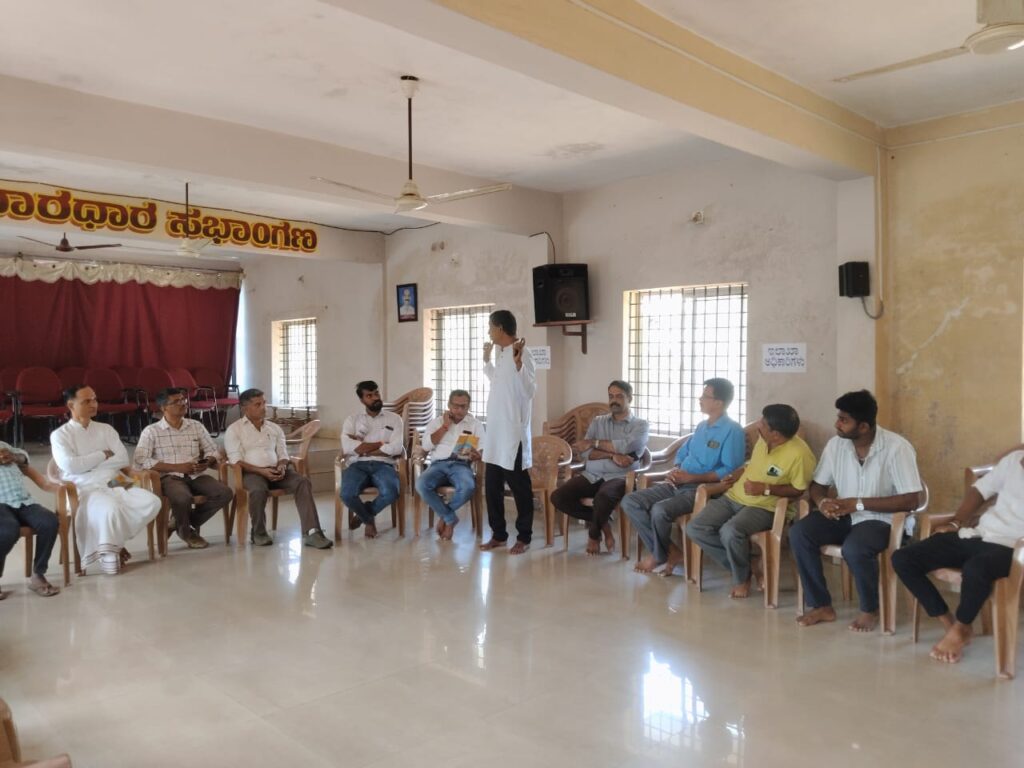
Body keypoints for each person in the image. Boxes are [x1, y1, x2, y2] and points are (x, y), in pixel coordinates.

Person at [790, 390, 922, 632]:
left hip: (883, 520)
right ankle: (821, 605)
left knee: (856, 548)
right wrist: (822, 502)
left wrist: (859, 504)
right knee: (800, 533)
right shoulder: (836, 445)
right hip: (845, 513)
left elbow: (911, 500)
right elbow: (818, 485)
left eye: (844, 420)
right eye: (838, 417)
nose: (837, 424)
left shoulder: (897, 448)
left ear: (863, 427)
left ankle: (870, 609)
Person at [892, 447, 1024, 665]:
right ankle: (949, 622)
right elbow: (980, 490)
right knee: (903, 558)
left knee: (976, 568)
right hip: (978, 535)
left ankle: (962, 627)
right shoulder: (1014, 460)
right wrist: (956, 522)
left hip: (1014, 548)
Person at [686, 403, 816, 598]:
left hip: (766, 506)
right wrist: (737, 474)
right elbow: (752, 466)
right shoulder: (764, 440)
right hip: (734, 497)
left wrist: (765, 489)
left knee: (730, 531)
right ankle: (747, 565)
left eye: (763, 423)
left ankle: (741, 578)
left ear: (776, 434)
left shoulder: (800, 454)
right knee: (695, 528)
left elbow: (799, 490)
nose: (757, 425)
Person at [621, 378, 744, 574]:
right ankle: (670, 552)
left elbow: (730, 471)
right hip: (677, 483)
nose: (700, 399)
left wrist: (691, 478)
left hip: (701, 489)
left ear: (719, 402)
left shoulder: (733, 430)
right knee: (630, 501)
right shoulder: (702, 426)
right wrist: (676, 469)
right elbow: (683, 453)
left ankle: (659, 555)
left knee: (659, 510)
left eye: (705, 396)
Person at [50, 385, 162, 575]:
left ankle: (114, 542)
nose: (93, 404)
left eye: (94, 399)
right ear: (71, 405)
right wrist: (102, 454)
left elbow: (122, 459)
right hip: (82, 485)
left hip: (114, 479)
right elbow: (71, 466)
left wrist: (88, 464)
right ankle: (111, 552)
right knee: (110, 509)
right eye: (86, 401)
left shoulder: (106, 429)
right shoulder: (60, 435)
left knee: (151, 501)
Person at [224, 388, 332, 549]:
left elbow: (283, 453)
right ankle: (259, 533)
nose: (263, 407)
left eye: (264, 403)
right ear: (245, 408)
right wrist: (261, 471)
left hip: (277, 471)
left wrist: (282, 465)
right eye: (258, 404)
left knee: (302, 482)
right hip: (252, 473)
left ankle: (312, 532)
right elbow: (235, 460)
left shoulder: (274, 428)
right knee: (258, 489)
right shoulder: (234, 430)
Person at [551, 380, 649, 555]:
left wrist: (594, 443)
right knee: (558, 497)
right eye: (611, 396)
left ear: (630, 398)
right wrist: (612, 455)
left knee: (603, 497)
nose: (614, 400)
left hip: (620, 477)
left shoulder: (640, 425)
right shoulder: (598, 422)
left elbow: (626, 447)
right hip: (592, 474)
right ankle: (604, 525)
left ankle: (593, 535)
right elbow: (586, 453)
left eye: (619, 396)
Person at [132, 387, 234, 550]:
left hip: (196, 475)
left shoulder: (195, 426)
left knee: (224, 493)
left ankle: (179, 523)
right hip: (169, 477)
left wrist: (207, 461)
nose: (182, 403)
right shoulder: (151, 431)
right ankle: (187, 532)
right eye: (176, 401)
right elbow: (141, 460)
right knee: (182, 498)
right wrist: (177, 467)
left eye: (183, 400)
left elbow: (212, 450)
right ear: (163, 408)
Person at [479, 309, 536, 555]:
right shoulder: (501, 353)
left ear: (500, 328)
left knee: (520, 489)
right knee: (492, 487)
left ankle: (524, 536)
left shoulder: (523, 353)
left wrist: (519, 363)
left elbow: (529, 390)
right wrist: (486, 360)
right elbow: (498, 382)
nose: (489, 332)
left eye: (490, 327)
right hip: (495, 434)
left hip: (513, 435)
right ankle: (498, 535)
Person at [414, 389, 485, 540]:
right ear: (449, 405)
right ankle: (450, 519)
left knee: (468, 487)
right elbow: (426, 446)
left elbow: (482, 450)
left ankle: (445, 517)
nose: (459, 410)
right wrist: (445, 426)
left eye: (463, 406)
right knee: (421, 485)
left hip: (461, 465)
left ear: (468, 407)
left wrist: (477, 455)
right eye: (455, 406)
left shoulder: (475, 424)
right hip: (438, 465)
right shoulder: (437, 422)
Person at [340, 380, 405, 539]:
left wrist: (363, 449)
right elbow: (348, 447)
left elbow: (396, 448)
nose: (375, 398)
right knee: (347, 494)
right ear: (362, 400)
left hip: (384, 465)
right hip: (357, 464)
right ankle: (369, 520)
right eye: (369, 396)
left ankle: (365, 513)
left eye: (376, 393)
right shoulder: (352, 420)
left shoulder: (395, 419)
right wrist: (381, 444)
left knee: (391, 492)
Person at [0, 441, 61, 598]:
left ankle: (38, 574)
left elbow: (24, 457)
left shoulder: (2, 445)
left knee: (49, 522)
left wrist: (13, 456)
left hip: (24, 502)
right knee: (8, 530)